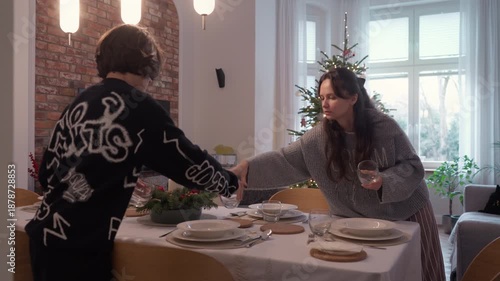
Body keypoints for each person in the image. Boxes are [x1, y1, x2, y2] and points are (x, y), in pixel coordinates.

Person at [25, 24, 239, 281]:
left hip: (44, 236)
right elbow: (188, 163)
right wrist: (230, 182)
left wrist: (114, 173)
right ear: (147, 64)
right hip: (80, 246)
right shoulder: (141, 107)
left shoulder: (79, 103)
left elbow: (48, 173)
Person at [231, 67, 445, 281]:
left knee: (417, 273)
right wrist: (246, 168)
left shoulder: (384, 127)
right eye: (322, 97)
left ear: (353, 98)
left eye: (332, 97)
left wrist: (384, 181)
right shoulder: (319, 137)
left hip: (407, 214)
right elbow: (285, 160)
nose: (324, 103)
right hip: (350, 223)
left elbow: (412, 165)